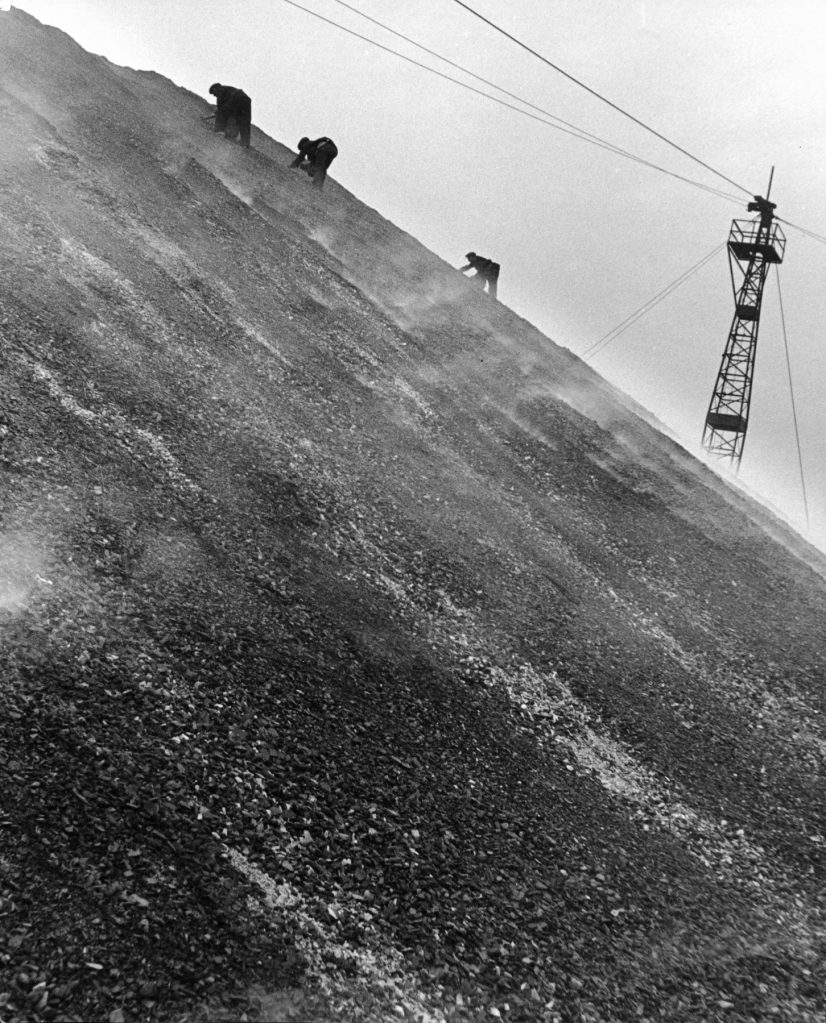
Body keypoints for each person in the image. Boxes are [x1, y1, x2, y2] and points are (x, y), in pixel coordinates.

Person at [208, 83, 251, 148]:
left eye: (213, 93)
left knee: (223, 110)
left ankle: (219, 130)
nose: (214, 95)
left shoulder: (220, 90)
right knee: (244, 120)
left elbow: (220, 108)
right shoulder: (229, 90)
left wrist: (216, 113)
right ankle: (245, 143)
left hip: (237, 97)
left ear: (215, 89)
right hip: (246, 100)